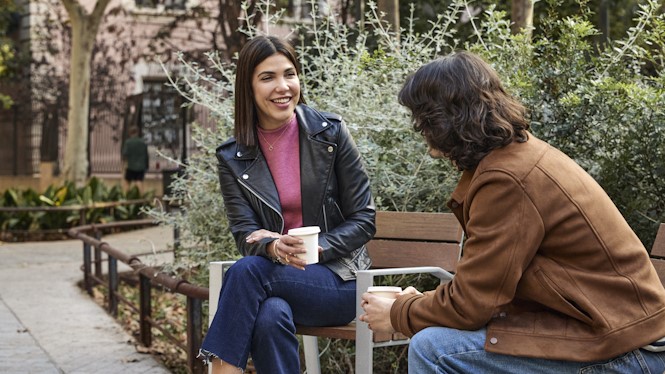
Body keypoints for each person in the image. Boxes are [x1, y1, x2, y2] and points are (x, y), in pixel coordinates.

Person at [359, 51, 665, 373]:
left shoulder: (507, 180)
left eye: (421, 118)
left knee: (434, 349)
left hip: (626, 351)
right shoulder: (514, 159)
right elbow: (485, 292)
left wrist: (399, 313)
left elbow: (471, 305)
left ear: (441, 119)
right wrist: (417, 303)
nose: (419, 130)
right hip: (612, 333)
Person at [199, 35, 376, 374]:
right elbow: (245, 233)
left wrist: (314, 248)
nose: (283, 87)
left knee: (245, 271)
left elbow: (364, 219)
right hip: (277, 279)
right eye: (268, 77)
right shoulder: (232, 157)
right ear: (248, 87)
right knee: (271, 314)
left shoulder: (331, 134)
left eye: (289, 74)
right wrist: (273, 247)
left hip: (340, 280)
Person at [121, 125, 149, 193]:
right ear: (137, 132)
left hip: (131, 166)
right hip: (141, 167)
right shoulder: (143, 142)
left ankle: (126, 197)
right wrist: (146, 166)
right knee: (139, 182)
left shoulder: (128, 142)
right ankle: (141, 198)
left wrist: (123, 165)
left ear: (130, 133)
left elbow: (125, 154)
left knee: (127, 182)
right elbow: (146, 155)